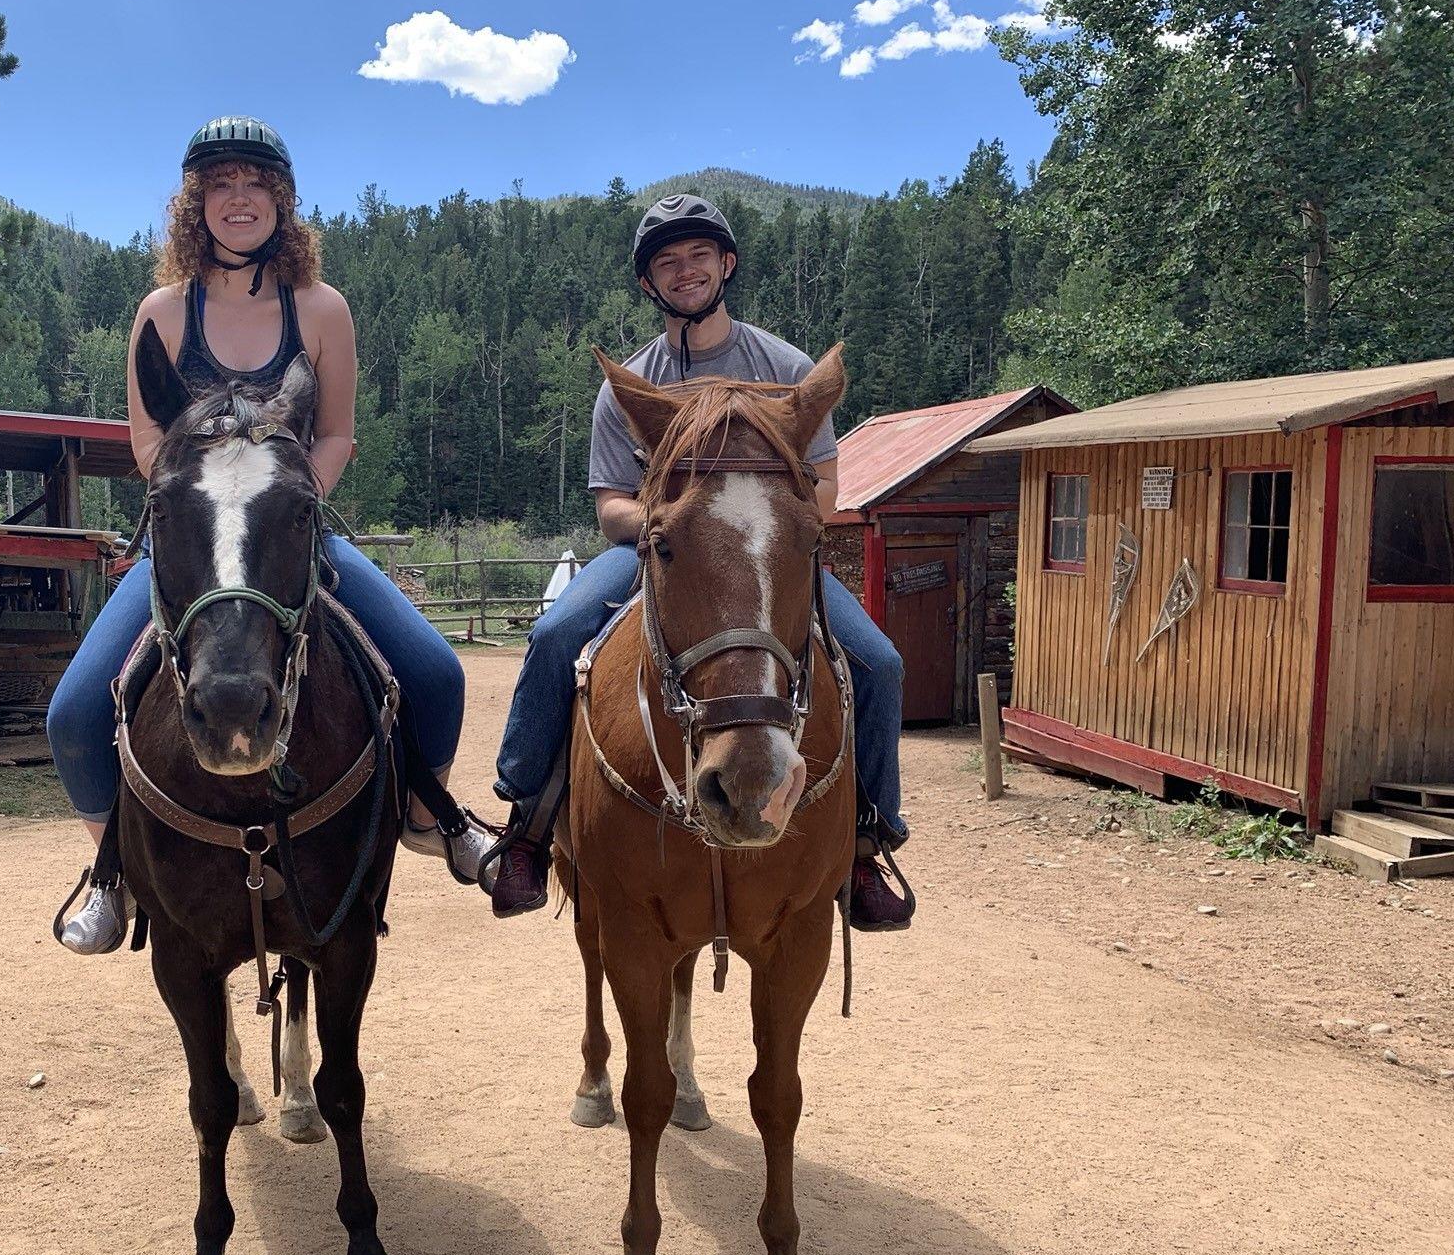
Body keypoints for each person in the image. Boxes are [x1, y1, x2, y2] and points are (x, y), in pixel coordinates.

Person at [47, 116, 496, 951]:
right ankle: (115, 875)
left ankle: (431, 815)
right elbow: (148, 441)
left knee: (434, 671)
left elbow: (336, 434)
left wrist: (290, 502)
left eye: (256, 183)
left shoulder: (322, 309)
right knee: (76, 710)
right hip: (187, 539)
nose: (239, 198)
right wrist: (202, 500)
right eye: (221, 184)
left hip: (293, 534)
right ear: (196, 204)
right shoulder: (160, 313)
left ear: (283, 201)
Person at [486, 193, 913, 928]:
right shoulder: (632, 385)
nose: (684, 272)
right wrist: (673, 524)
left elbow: (829, 485)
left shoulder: (784, 368)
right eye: (666, 262)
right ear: (649, 283)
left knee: (880, 663)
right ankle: (527, 823)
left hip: (768, 555)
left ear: (726, 265)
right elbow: (610, 503)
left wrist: (767, 530)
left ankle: (866, 842)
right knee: (558, 635)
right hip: (658, 552)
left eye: (697, 257)